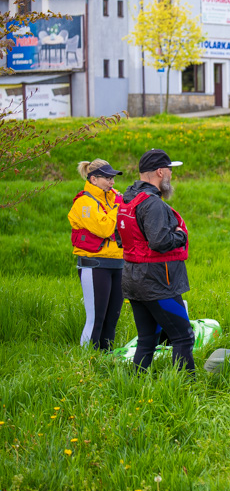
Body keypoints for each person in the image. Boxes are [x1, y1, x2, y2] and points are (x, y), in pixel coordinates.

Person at [118, 149, 195, 374]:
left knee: (146, 340)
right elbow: (160, 241)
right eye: (170, 170)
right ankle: (185, 389)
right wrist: (180, 233)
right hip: (159, 283)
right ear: (160, 172)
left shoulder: (127, 199)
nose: (171, 175)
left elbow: (119, 237)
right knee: (183, 336)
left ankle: (135, 385)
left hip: (134, 280)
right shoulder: (153, 204)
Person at [67, 159, 125, 350]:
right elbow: (104, 229)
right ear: (93, 179)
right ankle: (85, 365)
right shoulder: (84, 202)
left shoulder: (111, 199)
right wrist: (118, 206)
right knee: (96, 319)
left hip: (118, 265)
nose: (112, 182)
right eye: (107, 178)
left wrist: (122, 205)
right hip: (94, 266)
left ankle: (106, 361)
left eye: (113, 178)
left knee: (112, 320)